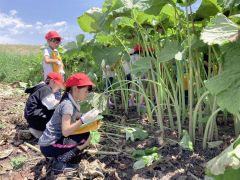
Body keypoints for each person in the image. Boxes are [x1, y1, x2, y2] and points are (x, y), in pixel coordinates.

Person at [38, 73, 99, 174]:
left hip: (50, 142)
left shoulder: (69, 100)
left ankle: (59, 156)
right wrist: (83, 120)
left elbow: (74, 115)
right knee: (85, 138)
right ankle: (60, 163)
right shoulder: (68, 105)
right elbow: (66, 132)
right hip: (49, 145)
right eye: (86, 90)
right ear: (75, 89)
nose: (87, 93)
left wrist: (86, 116)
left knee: (84, 135)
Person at [24, 72, 64, 138]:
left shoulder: (42, 88)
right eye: (58, 86)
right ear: (52, 81)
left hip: (33, 118)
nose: (58, 88)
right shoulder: (46, 89)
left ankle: (38, 130)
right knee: (58, 111)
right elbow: (51, 105)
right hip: (36, 119)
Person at [43, 31, 65, 99]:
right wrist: (55, 61)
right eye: (55, 42)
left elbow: (60, 62)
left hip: (57, 76)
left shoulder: (56, 51)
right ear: (49, 41)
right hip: (49, 77)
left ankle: (56, 106)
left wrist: (61, 69)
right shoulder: (46, 50)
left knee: (57, 93)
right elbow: (47, 60)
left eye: (58, 42)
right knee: (49, 93)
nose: (57, 44)